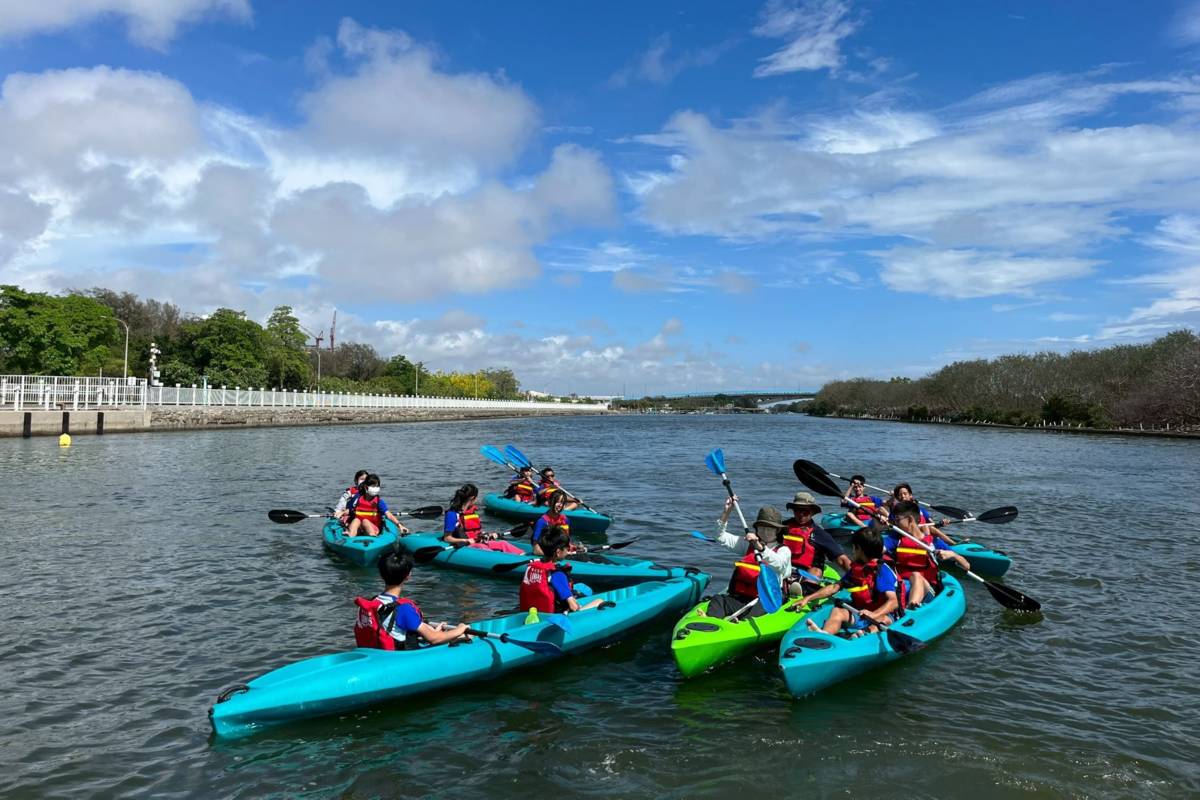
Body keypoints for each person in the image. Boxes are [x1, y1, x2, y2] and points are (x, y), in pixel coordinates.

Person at [799, 528, 904, 637]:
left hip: (884, 614)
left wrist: (873, 614)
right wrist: (808, 598)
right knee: (837, 611)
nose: (852, 551)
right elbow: (835, 587)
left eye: (854, 548)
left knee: (883, 620)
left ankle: (862, 636)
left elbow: (894, 601)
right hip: (861, 612)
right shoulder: (856, 569)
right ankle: (824, 635)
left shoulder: (883, 570)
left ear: (860, 549)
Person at [354, 551, 469, 649]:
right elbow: (434, 639)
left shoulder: (371, 603)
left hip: (379, 655)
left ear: (381, 574)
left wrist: (434, 630)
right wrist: (460, 629)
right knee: (459, 638)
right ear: (408, 576)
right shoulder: (403, 609)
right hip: (399, 660)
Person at [700, 496, 792, 618]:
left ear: (778, 531)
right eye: (762, 527)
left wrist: (760, 548)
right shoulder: (748, 545)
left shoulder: (784, 550)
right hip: (741, 596)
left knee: (754, 613)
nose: (765, 531)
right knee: (718, 600)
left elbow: (779, 563)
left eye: (770, 528)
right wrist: (727, 512)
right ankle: (711, 621)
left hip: (766, 599)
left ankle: (739, 622)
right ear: (757, 528)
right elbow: (719, 536)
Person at [884, 501, 970, 607]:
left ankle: (911, 609)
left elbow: (966, 566)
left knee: (916, 576)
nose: (895, 523)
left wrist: (953, 555)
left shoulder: (933, 541)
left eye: (897, 520)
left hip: (928, 589)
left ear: (910, 519)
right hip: (902, 585)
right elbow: (877, 550)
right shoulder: (895, 538)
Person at [780, 491, 851, 595]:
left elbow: (842, 559)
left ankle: (803, 590)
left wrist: (858, 576)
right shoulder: (781, 528)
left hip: (807, 572)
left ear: (812, 512)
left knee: (816, 571)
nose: (801, 514)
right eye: (797, 510)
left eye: (805, 511)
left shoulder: (820, 534)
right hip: (783, 568)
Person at [519, 528, 605, 614]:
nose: (568, 551)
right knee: (599, 600)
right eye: (567, 548)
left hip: (533, 612)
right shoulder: (557, 574)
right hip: (554, 617)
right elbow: (573, 607)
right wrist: (578, 606)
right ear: (558, 552)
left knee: (582, 587)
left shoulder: (533, 567)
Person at [442, 483, 524, 554]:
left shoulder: (471, 511)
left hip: (477, 541)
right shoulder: (452, 514)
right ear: (472, 498)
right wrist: (465, 541)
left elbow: (473, 531)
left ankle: (524, 557)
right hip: (466, 545)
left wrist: (486, 535)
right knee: (482, 547)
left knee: (503, 543)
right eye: (476, 498)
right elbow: (447, 538)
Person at [889, 483, 957, 546]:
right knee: (930, 528)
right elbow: (892, 526)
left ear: (910, 495)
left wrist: (940, 524)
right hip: (907, 534)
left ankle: (954, 544)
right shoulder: (895, 511)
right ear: (897, 498)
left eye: (905, 494)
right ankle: (953, 544)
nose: (903, 496)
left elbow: (931, 523)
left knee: (931, 528)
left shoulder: (920, 509)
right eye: (900, 495)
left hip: (923, 534)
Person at [346, 473, 410, 537]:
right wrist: (341, 513)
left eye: (377, 486)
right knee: (356, 520)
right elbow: (348, 510)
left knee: (365, 521)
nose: (375, 488)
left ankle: (372, 537)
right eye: (373, 486)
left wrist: (399, 525)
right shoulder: (357, 499)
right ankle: (350, 538)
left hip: (373, 529)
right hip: (360, 529)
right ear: (366, 487)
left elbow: (388, 514)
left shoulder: (379, 502)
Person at [530, 490, 585, 555]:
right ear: (549, 502)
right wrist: (556, 555)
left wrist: (572, 547)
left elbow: (566, 542)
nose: (560, 505)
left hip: (562, 554)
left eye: (562, 502)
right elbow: (536, 550)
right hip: (549, 555)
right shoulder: (542, 522)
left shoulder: (565, 520)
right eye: (556, 502)